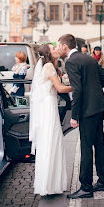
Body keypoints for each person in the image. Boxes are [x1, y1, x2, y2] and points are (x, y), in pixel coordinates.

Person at [58, 34, 104, 199]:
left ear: (65, 47)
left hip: (88, 110)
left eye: (59, 46)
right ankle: (103, 181)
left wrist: (75, 116)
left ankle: (86, 187)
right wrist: (93, 91)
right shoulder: (88, 58)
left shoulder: (71, 61)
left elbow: (77, 89)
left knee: (86, 148)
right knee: (99, 145)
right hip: (99, 106)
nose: (58, 49)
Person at [29, 43, 72, 196]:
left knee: (50, 141)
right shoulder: (48, 66)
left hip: (48, 105)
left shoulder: (46, 65)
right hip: (48, 107)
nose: (56, 49)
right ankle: (49, 185)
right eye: (53, 48)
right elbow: (60, 88)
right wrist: (78, 86)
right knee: (50, 141)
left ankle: (50, 184)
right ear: (48, 53)